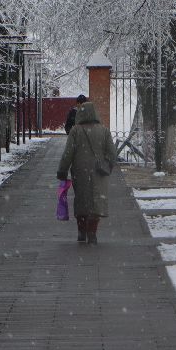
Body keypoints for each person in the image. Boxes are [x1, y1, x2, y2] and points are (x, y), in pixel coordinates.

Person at [57, 100, 115, 245]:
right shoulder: (104, 130)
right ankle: (92, 233)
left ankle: (81, 232)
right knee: (96, 201)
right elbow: (112, 153)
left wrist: (62, 170)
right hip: (99, 171)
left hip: (80, 170)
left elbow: (68, 153)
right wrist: (107, 165)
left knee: (81, 199)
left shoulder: (75, 131)